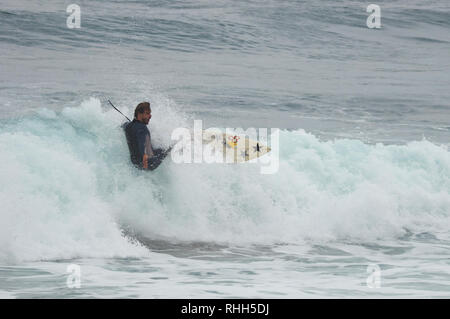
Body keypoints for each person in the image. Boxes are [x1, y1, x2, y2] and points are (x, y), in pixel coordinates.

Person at [123, 102, 170, 170]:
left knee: (159, 148)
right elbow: (142, 143)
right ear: (139, 113)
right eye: (147, 113)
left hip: (135, 163)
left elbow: (124, 125)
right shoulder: (142, 129)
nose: (150, 116)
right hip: (149, 164)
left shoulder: (128, 126)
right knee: (169, 148)